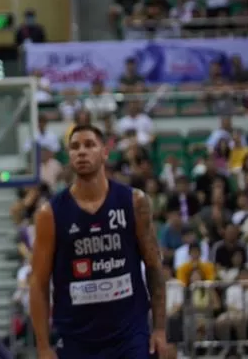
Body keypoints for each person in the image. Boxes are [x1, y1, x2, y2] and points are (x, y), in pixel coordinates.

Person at [29, 124, 168, 358]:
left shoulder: (134, 201)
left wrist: (161, 329)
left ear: (105, 152)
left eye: (89, 145)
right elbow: (38, 283)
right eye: (74, 147)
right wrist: (43, 346)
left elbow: (154, 266)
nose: (81, 151)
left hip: (129, 333)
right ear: (68, 155)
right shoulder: (49, 213)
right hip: (76, 337)